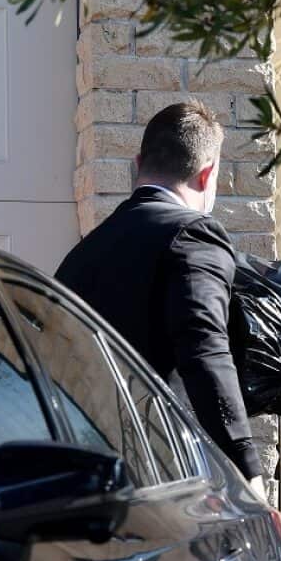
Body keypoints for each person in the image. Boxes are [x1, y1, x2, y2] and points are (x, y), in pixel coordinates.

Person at [56, 101, 264, 499]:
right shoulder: (194, 235)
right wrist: (246, 468)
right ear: (207, 174)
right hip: (162, 481)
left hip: (86, 479)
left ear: (138, 165)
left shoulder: (83, 254)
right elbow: (205, 351)